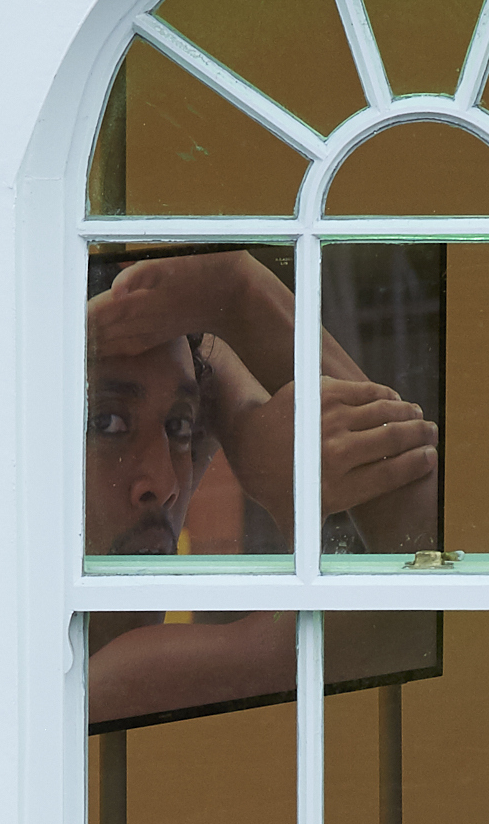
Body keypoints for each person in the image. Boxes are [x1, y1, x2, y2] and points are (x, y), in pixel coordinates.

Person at [86, 249, 441, 729]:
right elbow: (421, 612)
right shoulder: (104, 684)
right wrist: (238, 294)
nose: (166, 486)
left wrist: (247, 422)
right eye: (105, 423)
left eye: (179, 427)